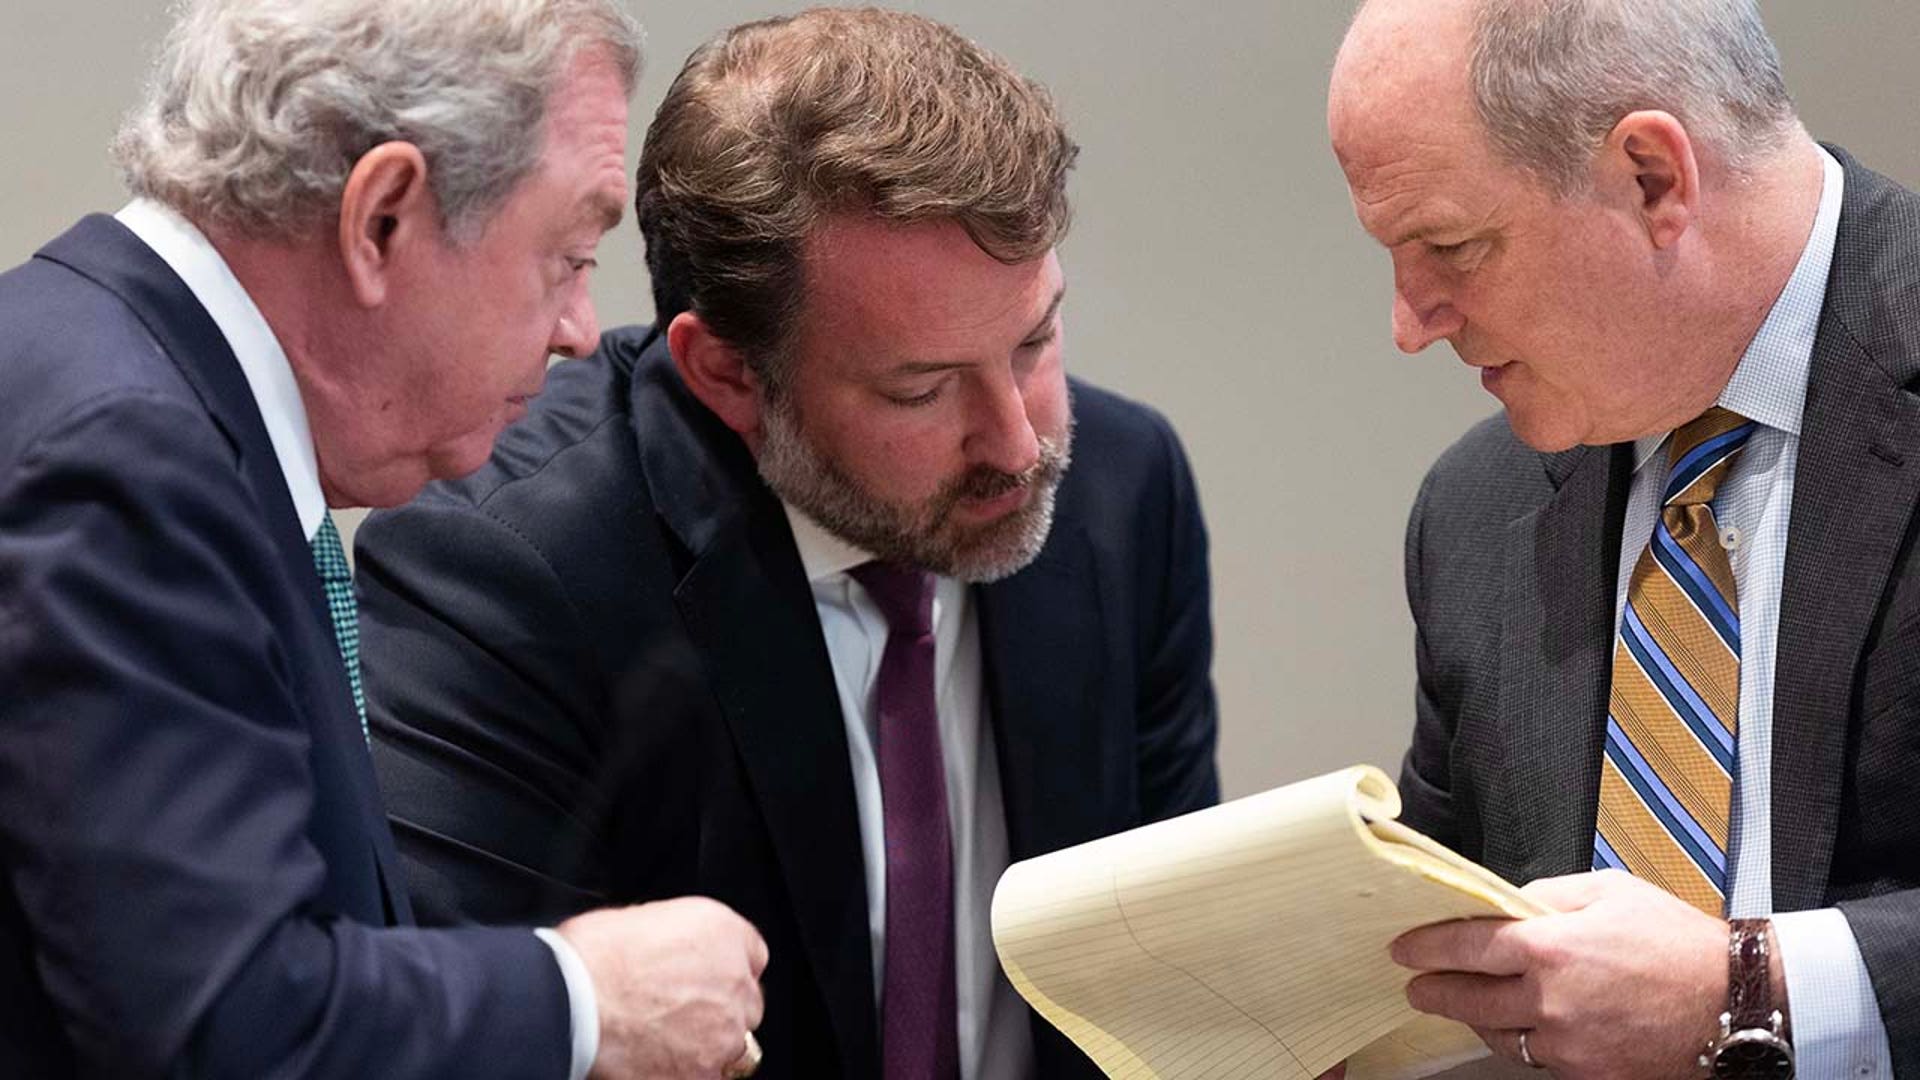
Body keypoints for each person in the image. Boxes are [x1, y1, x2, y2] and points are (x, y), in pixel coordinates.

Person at [353, 7, 1221, 1079]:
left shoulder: (1124, 491)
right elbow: (476, 1048)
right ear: (725, 373)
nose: (1020, 442)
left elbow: (1170, 965)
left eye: (1034, 341)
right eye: (922, 390)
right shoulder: (503, 576)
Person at [0, 2, 770, 1077]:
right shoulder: (127, 457)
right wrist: (586, 1001)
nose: (580, 330)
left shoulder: (103, 374)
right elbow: (226, 1026)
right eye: (568, 256)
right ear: (383, 220)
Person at [1327, 0, 1920, 1076]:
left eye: (1450, 246)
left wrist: (1751, 988)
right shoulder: (1473, 511)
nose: (1411, 324)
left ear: (1652, 179)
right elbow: (1456, 952)